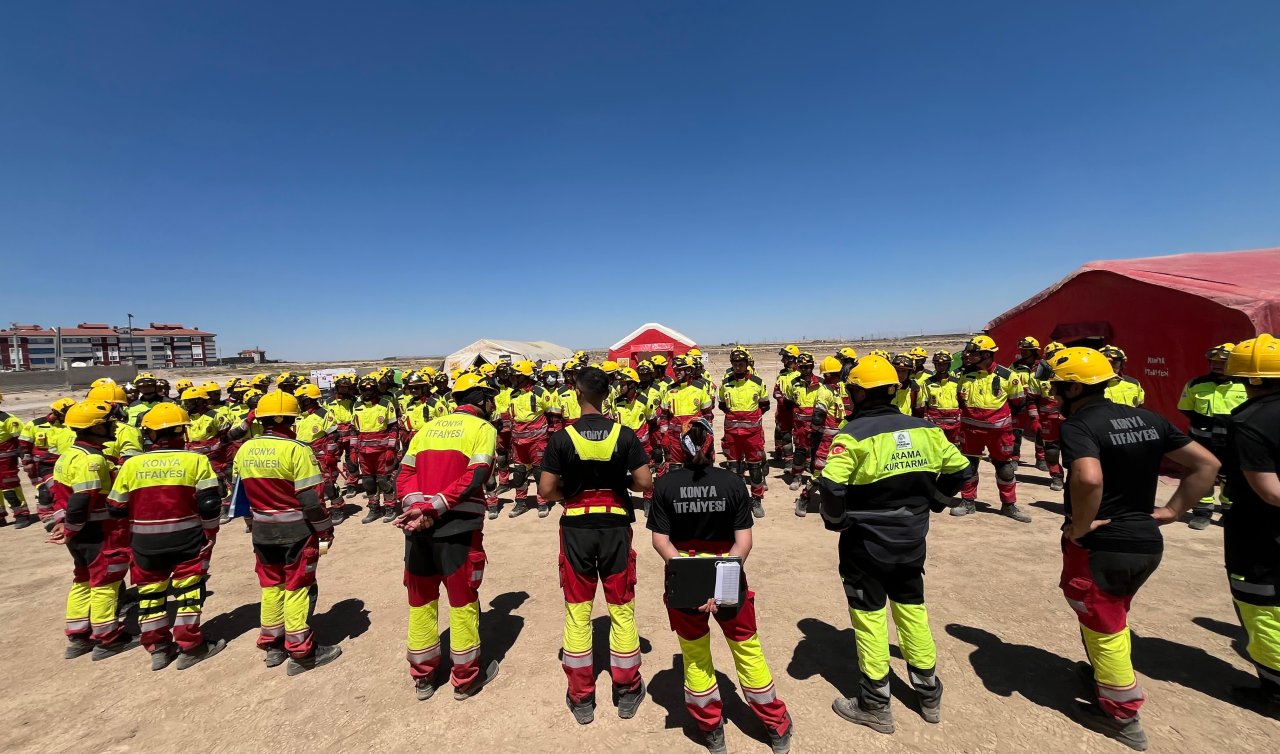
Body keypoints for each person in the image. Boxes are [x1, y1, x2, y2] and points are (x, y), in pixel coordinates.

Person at [1049, 347, 1218, 750]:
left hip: (1102, 546)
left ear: (1073, 387)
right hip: (1145, 541)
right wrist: (1173, 510)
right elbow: (1207, 464)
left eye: (1056, 386)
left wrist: (1082, 525)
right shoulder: (1148, 418)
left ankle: (1121, 716)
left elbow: (1088, 479)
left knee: (1104, 625)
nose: (1052, 393)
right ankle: (1102, 679)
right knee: (1113, 613)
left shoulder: (1079, 425)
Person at [816, 355, 971, 733]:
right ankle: (928, 691)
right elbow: (962, 470)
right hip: (911, 540)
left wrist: (836, 522)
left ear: (857, 393)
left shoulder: (851, 435)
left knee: (869, 619)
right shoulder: (926, 430)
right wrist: (936, 500)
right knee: (912, 609)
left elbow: (831, 486)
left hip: (864, 544)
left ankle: (874, 703)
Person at [649, 417, 792, 754]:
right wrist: (721, 581)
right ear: (712, 447)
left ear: (679, 448)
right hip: (729, 575)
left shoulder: (666, 485)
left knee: (695, 656)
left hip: (683, 579)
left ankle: (711, 730)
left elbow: (660, 542)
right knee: (747, 649)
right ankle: (775, 726)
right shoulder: (732, 483)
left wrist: (693, 580)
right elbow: (744, 543)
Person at [538, 366, 652, 725]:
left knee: (577, 610)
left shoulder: (561, 437)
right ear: (607, 395)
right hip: (616, 525)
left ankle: (581, 696)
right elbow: (644, 483)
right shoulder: (625, 434)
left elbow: (545, 490)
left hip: (576, 527)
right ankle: (627, 690)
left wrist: (568, 498)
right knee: (621, 607)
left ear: (577, 393)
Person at [394, 373, 502, 701]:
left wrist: (418, 509)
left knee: (421, 603)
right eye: (491, 398)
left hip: (418, 531)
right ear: (481, 399)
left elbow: (405, 475)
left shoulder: (427, 429)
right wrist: (436, 507)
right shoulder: (483, 429)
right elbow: (478, 474)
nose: (494, 404)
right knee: (462, 602)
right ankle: (466, 678)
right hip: (458, 529)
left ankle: (423, 677)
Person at [107, 403, 226, 671]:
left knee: (150, 595)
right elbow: (209, 504)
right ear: (182, 432)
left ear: (149, 435)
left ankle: (158, 648)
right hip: (187, 537)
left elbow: (115, 507)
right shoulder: (195, 460)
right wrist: (211, 532)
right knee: (189, 592)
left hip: (144, 542)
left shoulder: (131, 464)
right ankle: (191, 646)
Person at [233, 391, 341, 676]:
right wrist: (325, 530)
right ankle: (302, 652)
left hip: (261, 531)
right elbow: (311, 501)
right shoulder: (297, 450)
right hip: (296, 532)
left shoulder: (245, 449)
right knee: (297, 588)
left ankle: (273, 646)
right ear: (291, 420)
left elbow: (239, 496)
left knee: (271, 587)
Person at [1219, 334, 1280, 714]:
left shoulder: (1248, 420)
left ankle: (1274, 691)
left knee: (1263, 607)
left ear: (1247, 379)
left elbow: (1270, 491)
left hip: (1260, 534)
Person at [49, 400, 137, 660]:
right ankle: (107, 639)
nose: (113, 427)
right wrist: (72, 527)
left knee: (83, 580)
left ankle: (77, 636)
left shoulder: (69, 455)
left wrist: (64, 525)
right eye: (108, 424)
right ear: (94, 428)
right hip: (99, 531)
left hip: (80, 533)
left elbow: (57, 496)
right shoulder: (93, 460)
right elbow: (81, 500)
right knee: (106, 583)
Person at [953, 335, 1032, 522]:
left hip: (999, 433)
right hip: (971, 432)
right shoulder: (965, 375)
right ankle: (968, 502)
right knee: (968, 467)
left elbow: (1018, 402)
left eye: (974, 353)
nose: (969, 356)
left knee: (1005, 468)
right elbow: (960, 400)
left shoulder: (1007, 376)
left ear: (987, 355)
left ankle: (1009, 505)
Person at [1179, 343, 1248, 530]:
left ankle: (1229, 512)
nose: (1217, 366)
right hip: (1203, 442)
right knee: (1203, 475)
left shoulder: (1246, 385)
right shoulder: (1196, 384)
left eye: (1222, 362)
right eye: (1214, 362)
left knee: (1231, 477)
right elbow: (1186, 408)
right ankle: (1202, 512)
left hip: (1233, 443)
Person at [718, 347, 770, 518]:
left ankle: (756, 499)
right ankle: (737, 499)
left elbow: (765, 404)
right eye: (735, 364)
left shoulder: (757, 382)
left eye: (741, 364)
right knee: (733, 468)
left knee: (755, 468)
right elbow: (723, 405)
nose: (738, 367)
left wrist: (751, 419)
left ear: (747, 364)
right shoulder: (725, 384)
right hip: (732, 433)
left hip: (752, 434)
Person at [794, 357, 846, 518]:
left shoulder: (839, 388)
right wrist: (815, 434)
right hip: (825, 440)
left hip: (841, 439)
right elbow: (818, 416)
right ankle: (804, 498)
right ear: (830, 374)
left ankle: (831, 502)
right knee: (819, 472)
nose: (840, 376)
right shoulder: (825, 391)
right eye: (837, 374)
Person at [507, 360, 556, 518]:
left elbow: (552, 412)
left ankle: (542, 503)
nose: (513, 378)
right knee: (519, 473)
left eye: (516, 375)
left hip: (537, 441)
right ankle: (521, 503)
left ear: (525, 376)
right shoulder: (513, 394)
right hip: (518, 442)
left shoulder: (540, 392)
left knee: (539, 472)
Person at [352, 375, 401, 523]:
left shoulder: (386, 404)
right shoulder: (357, 406)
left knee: (384, 480)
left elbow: (393, 427)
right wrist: (353, 450)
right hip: (364, 452)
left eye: (371, 390)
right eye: (364, 390)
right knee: (368, 482)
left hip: (382, 451)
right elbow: (354, 429)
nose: (368, 393)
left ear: (375, 390)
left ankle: (390, 508)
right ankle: (374, 510)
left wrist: (391, 449)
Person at [612, 367, 660, 515]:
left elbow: (652, 421)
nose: (620, 387)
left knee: (646, 474)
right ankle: (625, 501)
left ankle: (648, 501)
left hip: (642, 446)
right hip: (621, 446)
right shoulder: (616, 402)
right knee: (621, 474)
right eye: (620, 383)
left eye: (624, 384)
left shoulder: (645, 401)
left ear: (632, 385)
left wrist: (656, 445)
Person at [295, 384, 343, 523]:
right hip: (302, 455)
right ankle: (316, 511)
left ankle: (337, 507)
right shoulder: (297, 416)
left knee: (327, 484)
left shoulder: (323, 414)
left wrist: (331, 454)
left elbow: (334, 436)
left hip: (321, 454)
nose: (298, 401)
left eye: (300, 399)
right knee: (307, 486)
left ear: (308, 400)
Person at [0, 391, 34, 528]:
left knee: (10, 488)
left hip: (6, 462)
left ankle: (21, 514)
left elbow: (22, 441)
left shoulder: (8, 420)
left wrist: (26, 460)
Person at [1009, 337, 1044, 465]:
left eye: (1026, 350)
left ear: (1034, 350)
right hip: (1019, 405)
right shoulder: (1015, 366)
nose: (1023, 352)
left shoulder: (1042, 366)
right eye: (1022, 349)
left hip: (1037, 404)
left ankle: (1041, 458)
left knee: (1040, 431)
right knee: (1016, 432)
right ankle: (1014, 458)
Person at [918, 351, 961, 446]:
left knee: (955, 448)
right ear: (935, 365)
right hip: (934, 424)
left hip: (955, 424)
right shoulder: (927, 383)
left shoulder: (957, 382)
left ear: (949, 365)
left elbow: (962, 402)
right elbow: (923, 404)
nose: (941, 367)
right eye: (938, 364)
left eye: (944, 364)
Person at [773, 345, 802, 465]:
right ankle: (788, 462)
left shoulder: (802, 373)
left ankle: (803, 461)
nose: (782, 361)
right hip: (783, 410)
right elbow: (776, 390)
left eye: (784, 358)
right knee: (784, 434)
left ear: (792, 359)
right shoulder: (781, 374)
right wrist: (782, 401)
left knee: (801, 436)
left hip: (798, 410)